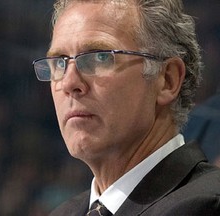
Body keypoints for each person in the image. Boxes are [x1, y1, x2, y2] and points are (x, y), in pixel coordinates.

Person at [32, 0, 220, 215]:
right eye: (59, 62)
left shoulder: (207, 207)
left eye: (100, 57)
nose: (68, 83)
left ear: (167, 80)